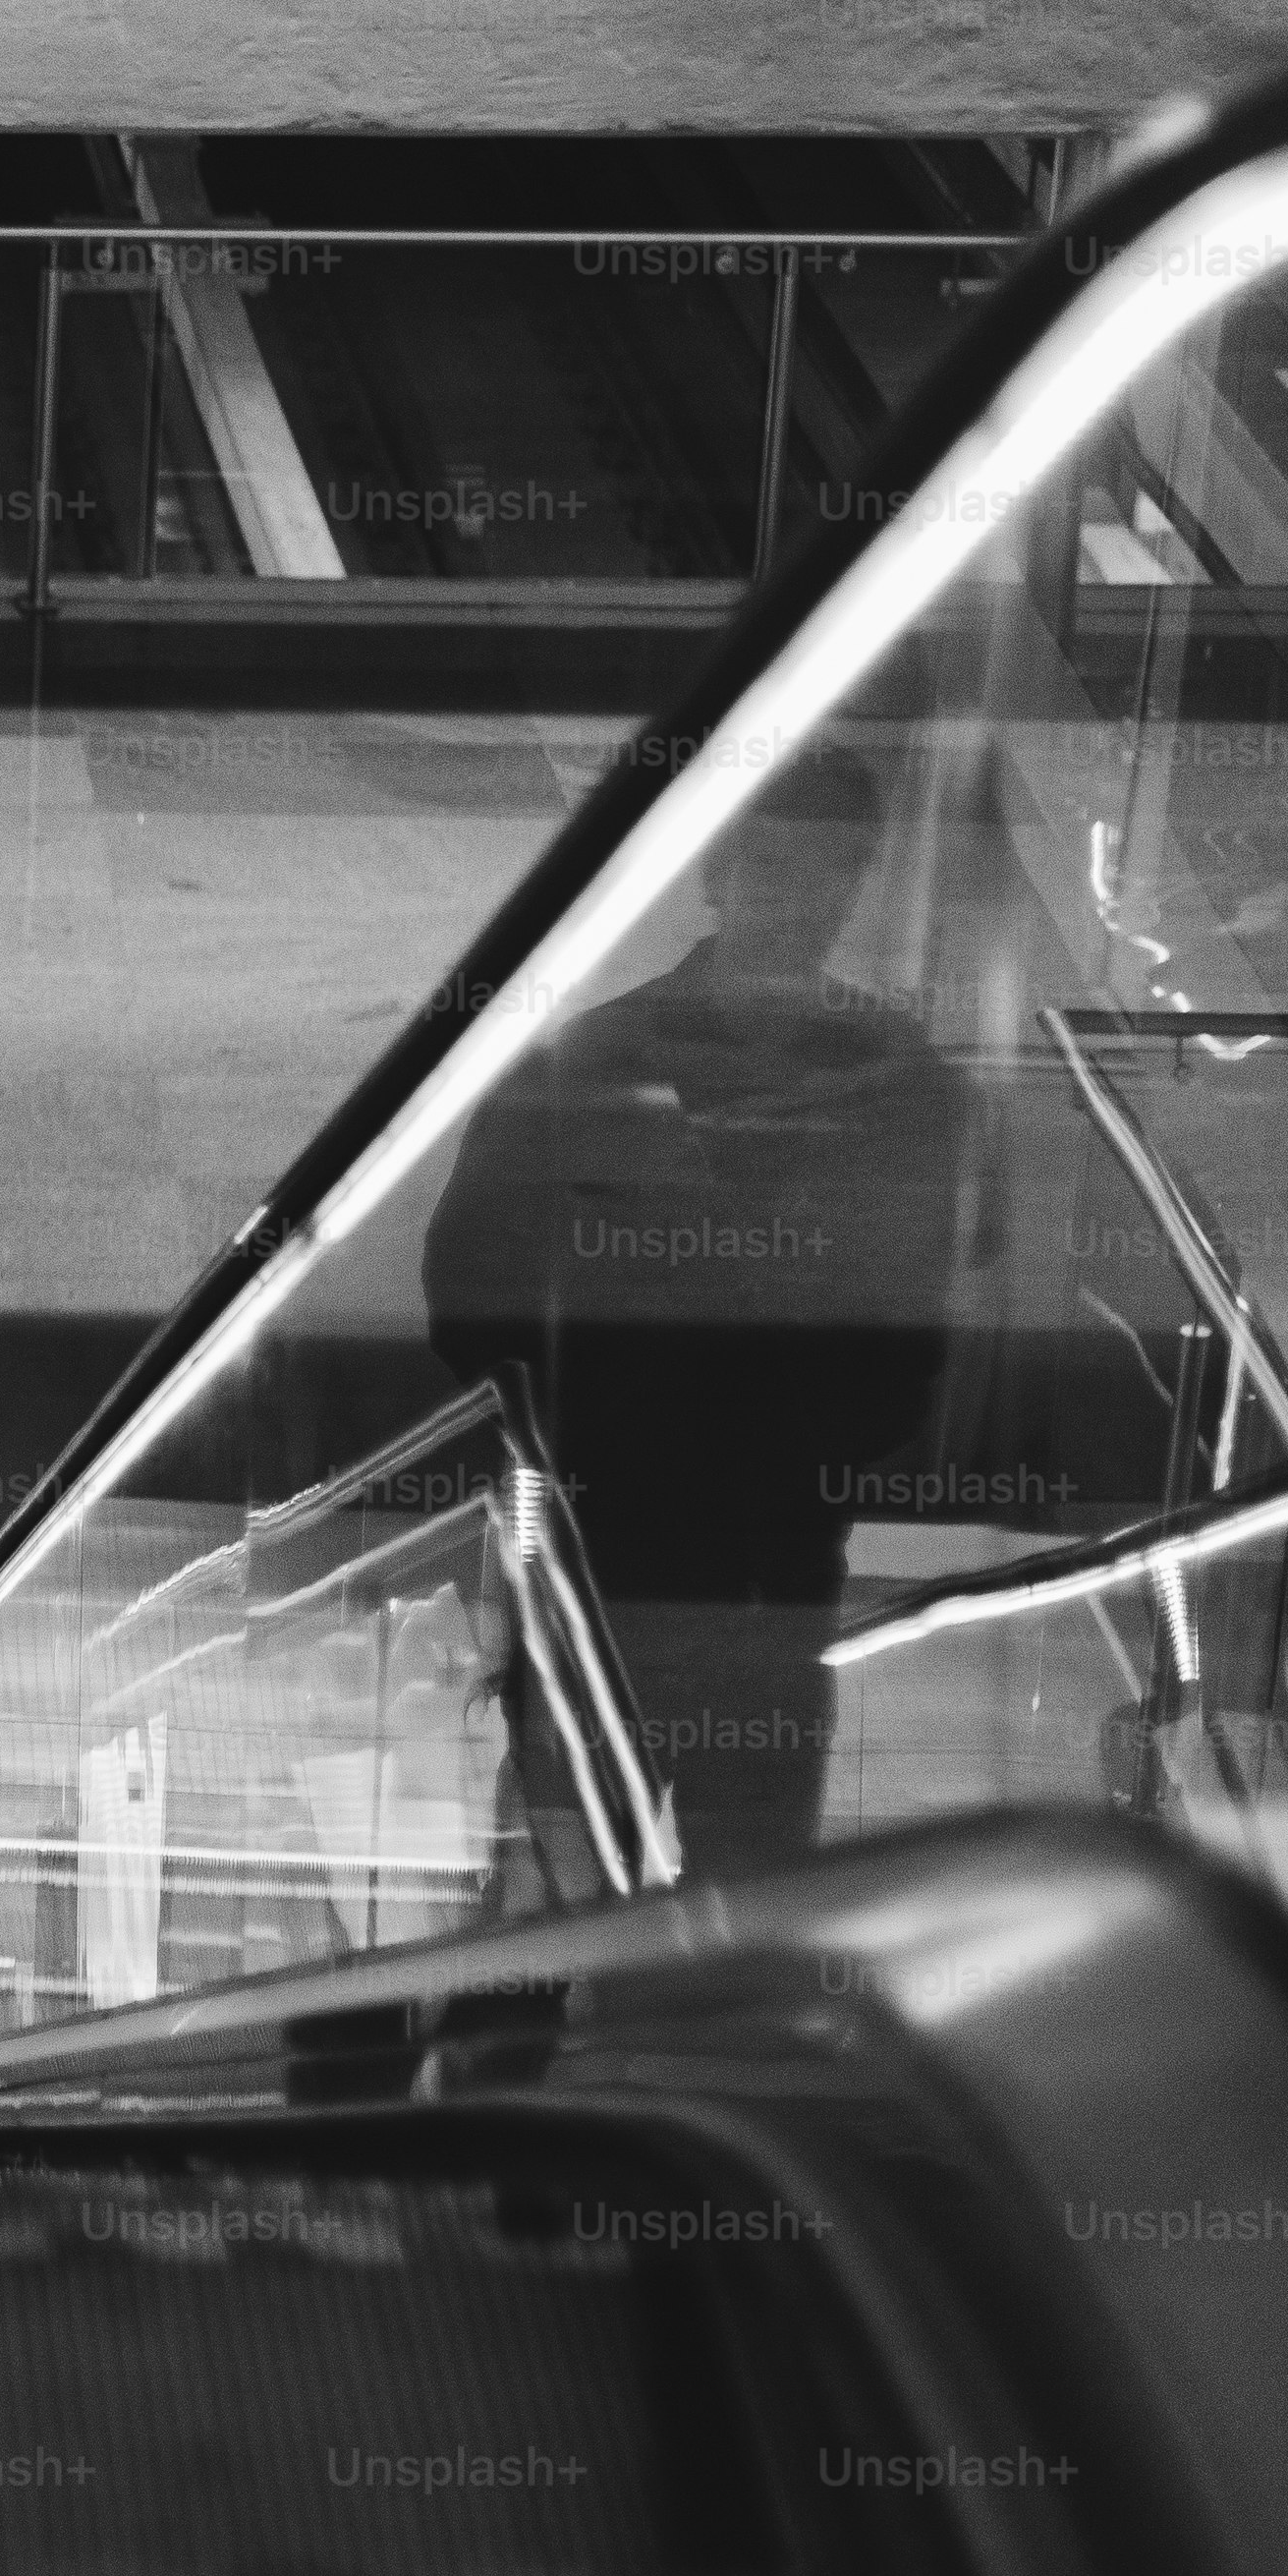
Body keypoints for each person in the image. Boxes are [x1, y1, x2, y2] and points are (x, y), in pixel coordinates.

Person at [419, 746, 975, 1876]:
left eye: (830, 871)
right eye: (772, 864)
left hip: (761, 1569)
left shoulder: (904, 1089)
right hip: (615, 1546)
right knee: (568, 1875)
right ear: (716, 874)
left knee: (725, 1877)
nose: (800, 897)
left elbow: (909, 1338)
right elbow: (470, 1284)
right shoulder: (593, 1064)